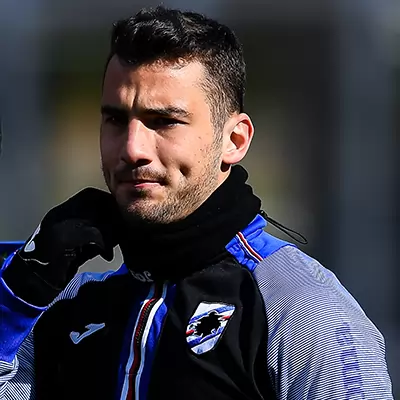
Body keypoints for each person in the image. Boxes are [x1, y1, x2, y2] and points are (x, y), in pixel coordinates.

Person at [0, 6, 393, 400]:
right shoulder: (62, 305)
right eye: (116, 120)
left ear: (234, 140)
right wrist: (19, 293)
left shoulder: (300, 308)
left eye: (164, 121)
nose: (133, 149)